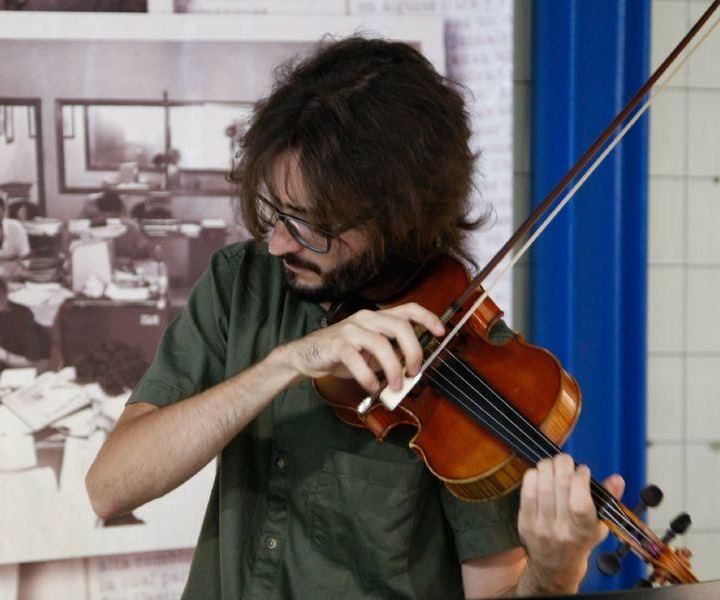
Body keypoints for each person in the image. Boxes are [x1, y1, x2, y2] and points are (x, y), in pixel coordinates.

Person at [86, 37, 624, 599]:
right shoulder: (240, 283)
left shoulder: (470, 364)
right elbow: (110, 488)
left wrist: (553, 575)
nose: (274, 244)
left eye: (309, 224)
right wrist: (285, 364)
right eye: (274, 211)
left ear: (398, 217)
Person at [91, 191, 151, 260]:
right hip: (117, 262)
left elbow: (144, 251)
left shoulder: (131, 226)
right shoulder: (131, 225)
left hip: (115, 262)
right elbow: (144, 250)